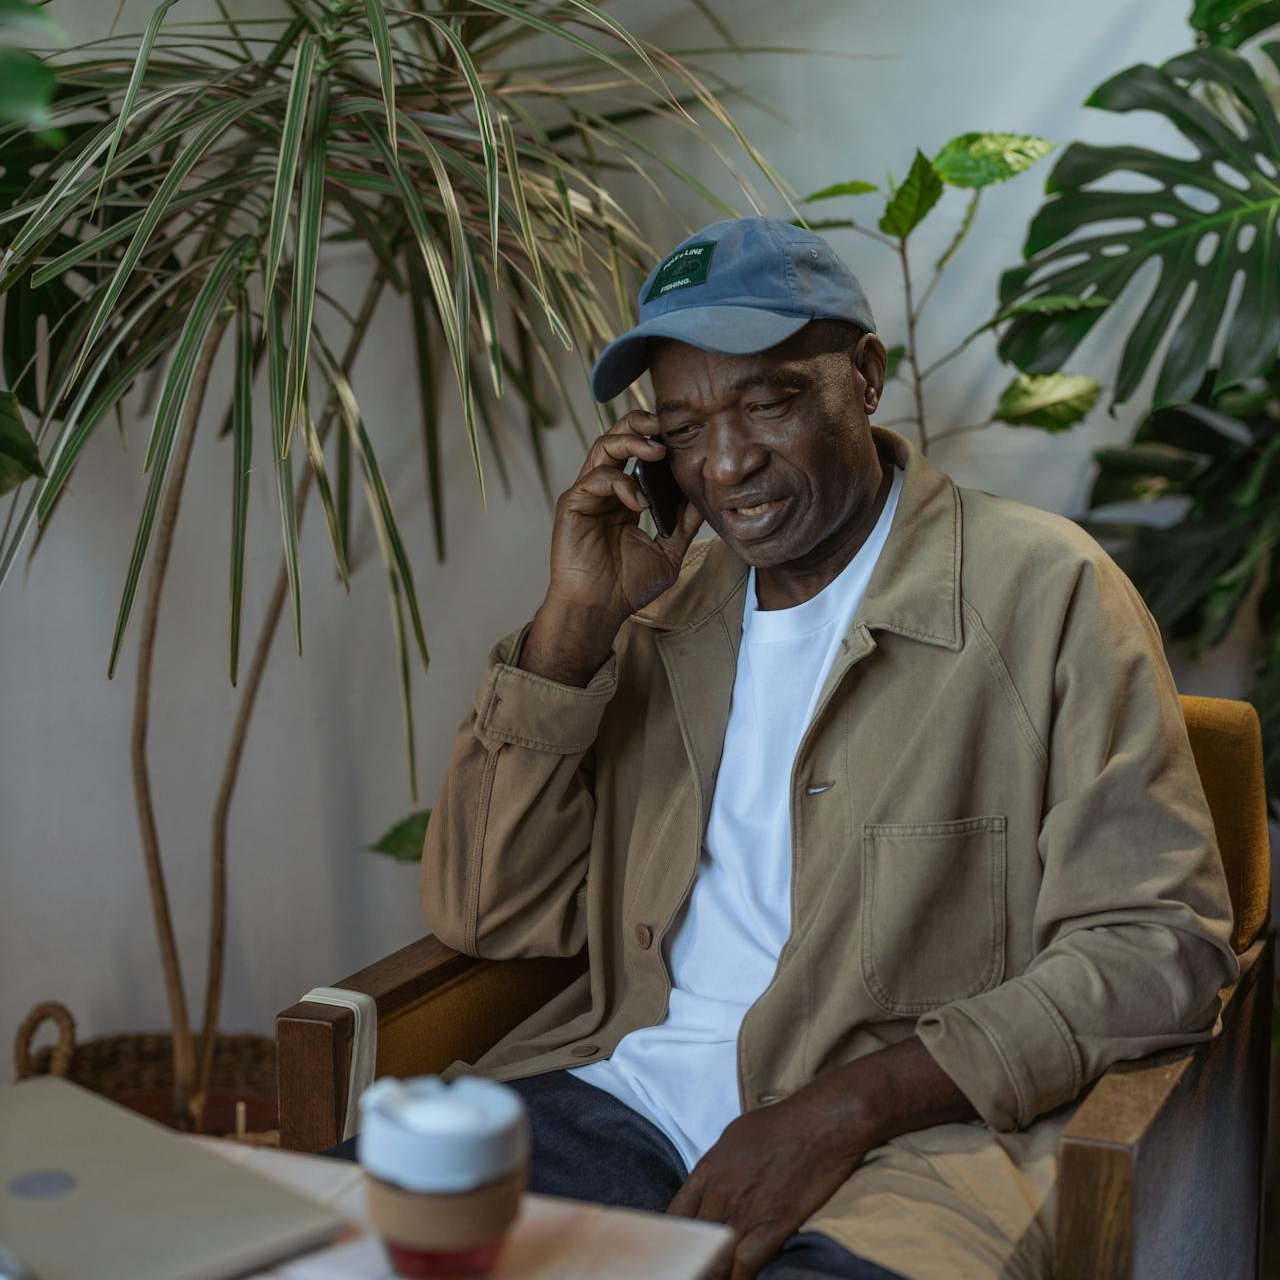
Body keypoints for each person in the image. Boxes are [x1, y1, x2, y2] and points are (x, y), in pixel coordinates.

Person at [341, 218, 1241, 1280]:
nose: (726, 464)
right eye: (684, 427)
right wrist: (574, 626)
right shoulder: (657, 610)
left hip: (913, 1153)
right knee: (321, 1249)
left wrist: (848, 1105)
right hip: (621, 1094)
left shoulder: (1045, 593)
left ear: (865, 376)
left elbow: (1155, 947)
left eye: (768, 401)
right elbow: (484, 912)